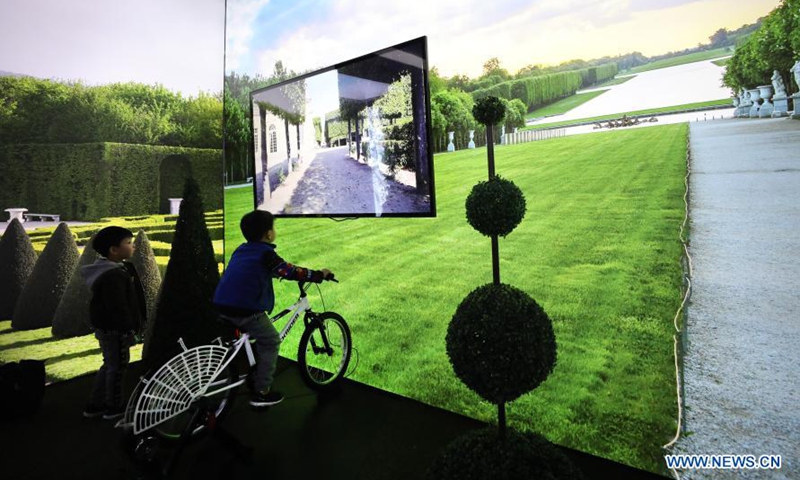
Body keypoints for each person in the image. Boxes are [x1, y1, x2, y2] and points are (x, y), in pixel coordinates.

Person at [213, 210, 332, 407]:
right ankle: (262, 391)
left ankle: (251, 373)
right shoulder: (266, 254)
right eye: (273, 228)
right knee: (270, 341)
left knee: (251, 337)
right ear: (269, 234)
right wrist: (319, 275)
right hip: (245, 309)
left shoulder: (242, 249)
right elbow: (290, 271)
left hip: (222, 303)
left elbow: (254, 270)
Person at [81, 226, 146, 420]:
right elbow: (118, 308)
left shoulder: (113, 270)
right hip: (116, 330)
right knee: (117, 368)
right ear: (113, 250)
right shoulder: (113, 275)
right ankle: (114, 407)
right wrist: (128, 331)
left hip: (108, 329)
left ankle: (95, 404)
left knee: (109, 365)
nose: (133, 246)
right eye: (128, 243)